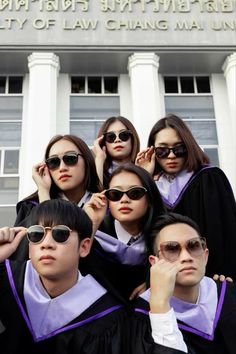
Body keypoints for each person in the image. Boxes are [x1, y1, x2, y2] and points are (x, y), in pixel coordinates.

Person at [0, 199, 187, 354]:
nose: (46, 244)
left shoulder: (110, 320)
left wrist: (161, 304)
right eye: (36, 234)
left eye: (60, 234)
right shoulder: (8, 282)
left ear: (84, 247)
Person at [135, 114, 236, 280]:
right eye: (162, 150)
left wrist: (224, 275)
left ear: (189, 147)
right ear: (152, 152)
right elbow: (145, 238)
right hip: (166, 281)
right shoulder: (152, 187)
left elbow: (227, 231)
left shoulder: (209, 178)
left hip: (214, 278)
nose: (171, 155)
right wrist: (144, 176)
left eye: (179, 148)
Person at [134, 212, 236, 354]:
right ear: (154, 262)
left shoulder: (229, 294)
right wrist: (160, 307)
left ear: (205, 256)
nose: (186, 257)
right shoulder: (140, 319)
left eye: (193, 245)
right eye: (171, 248)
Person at [83, 163, 166, 302]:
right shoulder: (97, 233)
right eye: (115, 194)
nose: (124, 200)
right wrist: (92, 223)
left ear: (150, 199)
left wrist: (154, 283)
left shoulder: (165, 233)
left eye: (135, 193)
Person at [12, 134, 102, 260]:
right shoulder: (30, 208)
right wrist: (43, 193)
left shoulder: (105, 208)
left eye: (70, 158)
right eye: (53, 162)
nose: (62, 168)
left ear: (87, 161)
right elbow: (22, 260)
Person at [92, 116, 140, 187]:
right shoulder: (94, 170)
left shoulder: (146, 167)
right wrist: (99, 159)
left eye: (123, 135)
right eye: (111, 137)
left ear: (132, 139)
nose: (117, 140)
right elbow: (95, 196)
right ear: (103, 142)